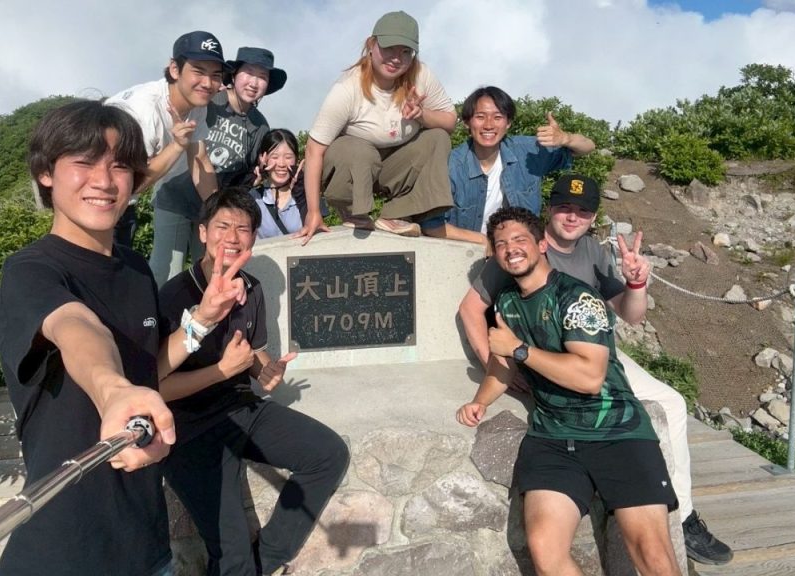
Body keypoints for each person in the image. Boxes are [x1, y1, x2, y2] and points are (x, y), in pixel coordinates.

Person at [0, 100, 250, 575]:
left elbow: (146, 371)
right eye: (84, 162)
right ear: (45, 173)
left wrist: (202, 319)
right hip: (64, 547)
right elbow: (76, 327)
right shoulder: (30, 271)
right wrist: (113, 390)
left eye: (119, 166)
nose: (104, 181)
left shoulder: (134, 269)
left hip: (147, 544)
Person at [458, 175, 733, 566]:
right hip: (553, 436)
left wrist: (637, 283)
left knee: (652, 554)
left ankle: (685, 516)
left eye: (583, 210)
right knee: (545, 550)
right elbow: (495, 353)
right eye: (501, 244)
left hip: (615, 431)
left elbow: (591, 375)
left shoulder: (580, 289)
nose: (510, 249)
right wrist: (480, 401)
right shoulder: (507, 299)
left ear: (540, 244)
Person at [157, 188, 350, 576]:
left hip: (242, 408)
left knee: (329, 454)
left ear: (253, 237)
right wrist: (223, 370)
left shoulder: (252, 288)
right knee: (231, 557)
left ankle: (264, 562)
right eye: (222, 226)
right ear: (202, 232)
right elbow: (157, 386)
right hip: (189, 429)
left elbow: (252, 351)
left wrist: (265, 369)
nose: (232, 237)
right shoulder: (172, 295)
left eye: (243, 228)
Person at [296, 10, 456, 243]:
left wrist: (423, 115)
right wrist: (313, 212)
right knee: (359, 150)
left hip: (394, 166)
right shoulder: (346, 89)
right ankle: (354, 212)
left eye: (406, 51)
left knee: (438, 138)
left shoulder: (421, 75)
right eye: (389, 48)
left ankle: (397, 214)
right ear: (371, 44)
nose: (396, 58)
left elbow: (450, 121)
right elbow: (313, 150)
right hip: (353, 167)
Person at [106, 30, 224, 280]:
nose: (208, 83)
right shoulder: (143, 111)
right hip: (99, 202)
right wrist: (176, 146)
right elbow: (127, 183)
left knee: (117, 282)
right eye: (199, 71)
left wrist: (219, 213)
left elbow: (200, 160)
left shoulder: (196, 105)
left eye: (216, 75)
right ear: (174, 69)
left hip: (123, 206)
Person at [421, 86, 595, 245]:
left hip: (520, 251)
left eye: (498, 117)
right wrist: (484, 241)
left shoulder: (527, 152)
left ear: (508, 123)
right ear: (467, 122)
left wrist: (566, 138)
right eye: (480, 117)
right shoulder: (451, 165)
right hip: (467, 251)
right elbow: (431, 225)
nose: (489, 125)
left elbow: (588, 147)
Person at [158, 47, 287, 263]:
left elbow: (245, 174)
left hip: (213, 211)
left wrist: (257, 176)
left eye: (262, 77)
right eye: (249, 73)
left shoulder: (260, 125)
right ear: (234, 74)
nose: (254, 83)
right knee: (166, 268)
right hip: (175, 197)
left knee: (209, 269)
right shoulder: (210, 101)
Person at [249, 128, 312, 238]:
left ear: (296, 159)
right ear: (262, 159)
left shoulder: (308, 195)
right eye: (275, 157)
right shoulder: (253, 198)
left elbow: (313, 228)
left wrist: (301, 191)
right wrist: (249, 181)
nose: (281, 164)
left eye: (288, 157)